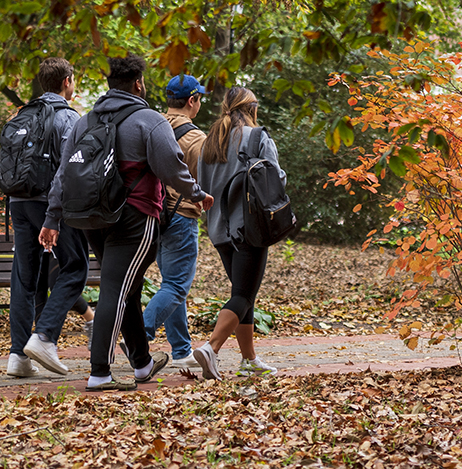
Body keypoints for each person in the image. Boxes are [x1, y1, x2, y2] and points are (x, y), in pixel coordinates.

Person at [40, 55, 213, 391]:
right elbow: (172, 168)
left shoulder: (85, 120)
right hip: (134, 216)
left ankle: (142, 363)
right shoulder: (148, 120)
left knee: (126, 287)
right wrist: (196, 193)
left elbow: (64, 173)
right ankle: (100, 371)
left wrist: (52, 218)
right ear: (138, 83)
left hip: (91, 218)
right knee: (116, 289)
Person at [193, 86, 285, 380]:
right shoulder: (258, 137)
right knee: (244, 294)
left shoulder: (210, 142)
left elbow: (201, 183)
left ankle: (249, 360)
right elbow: (276, 177)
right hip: (250, 228)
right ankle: (211, 348)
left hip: (219, 229)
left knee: (242, 292)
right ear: (252, 108)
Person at [6, 57, 88, 377]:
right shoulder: (68, 118)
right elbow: (69, 170)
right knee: (76, 266)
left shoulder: (23, 113)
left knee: (26, 277)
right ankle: (45, 337)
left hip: (18, 201)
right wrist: (55, 215)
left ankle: (18, 357)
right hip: (50, 203)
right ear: (67, 81)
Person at [141, 75, 208, 370]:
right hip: (181, 216)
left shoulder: (152, 125)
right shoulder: (196, 138)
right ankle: (138, 334)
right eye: (199, 99)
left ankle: (181, 350)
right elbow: (201, 182)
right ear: (192, 101)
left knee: (172, 283)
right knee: (178, 285)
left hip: (152, 215)